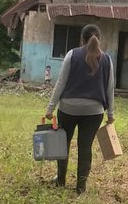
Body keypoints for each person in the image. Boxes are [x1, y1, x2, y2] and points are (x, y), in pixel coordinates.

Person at [44, 24, 115, 193]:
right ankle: (81, 187)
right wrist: (110, 113)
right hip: (94, 112)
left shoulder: (72, 54)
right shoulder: (107, 59)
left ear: (82, 39)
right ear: (99, 39)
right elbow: (109, 88)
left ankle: (60, 180)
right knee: (85, 147)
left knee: (63, 144)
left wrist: (50, 108)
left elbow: (61, 83)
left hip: (68, 108)